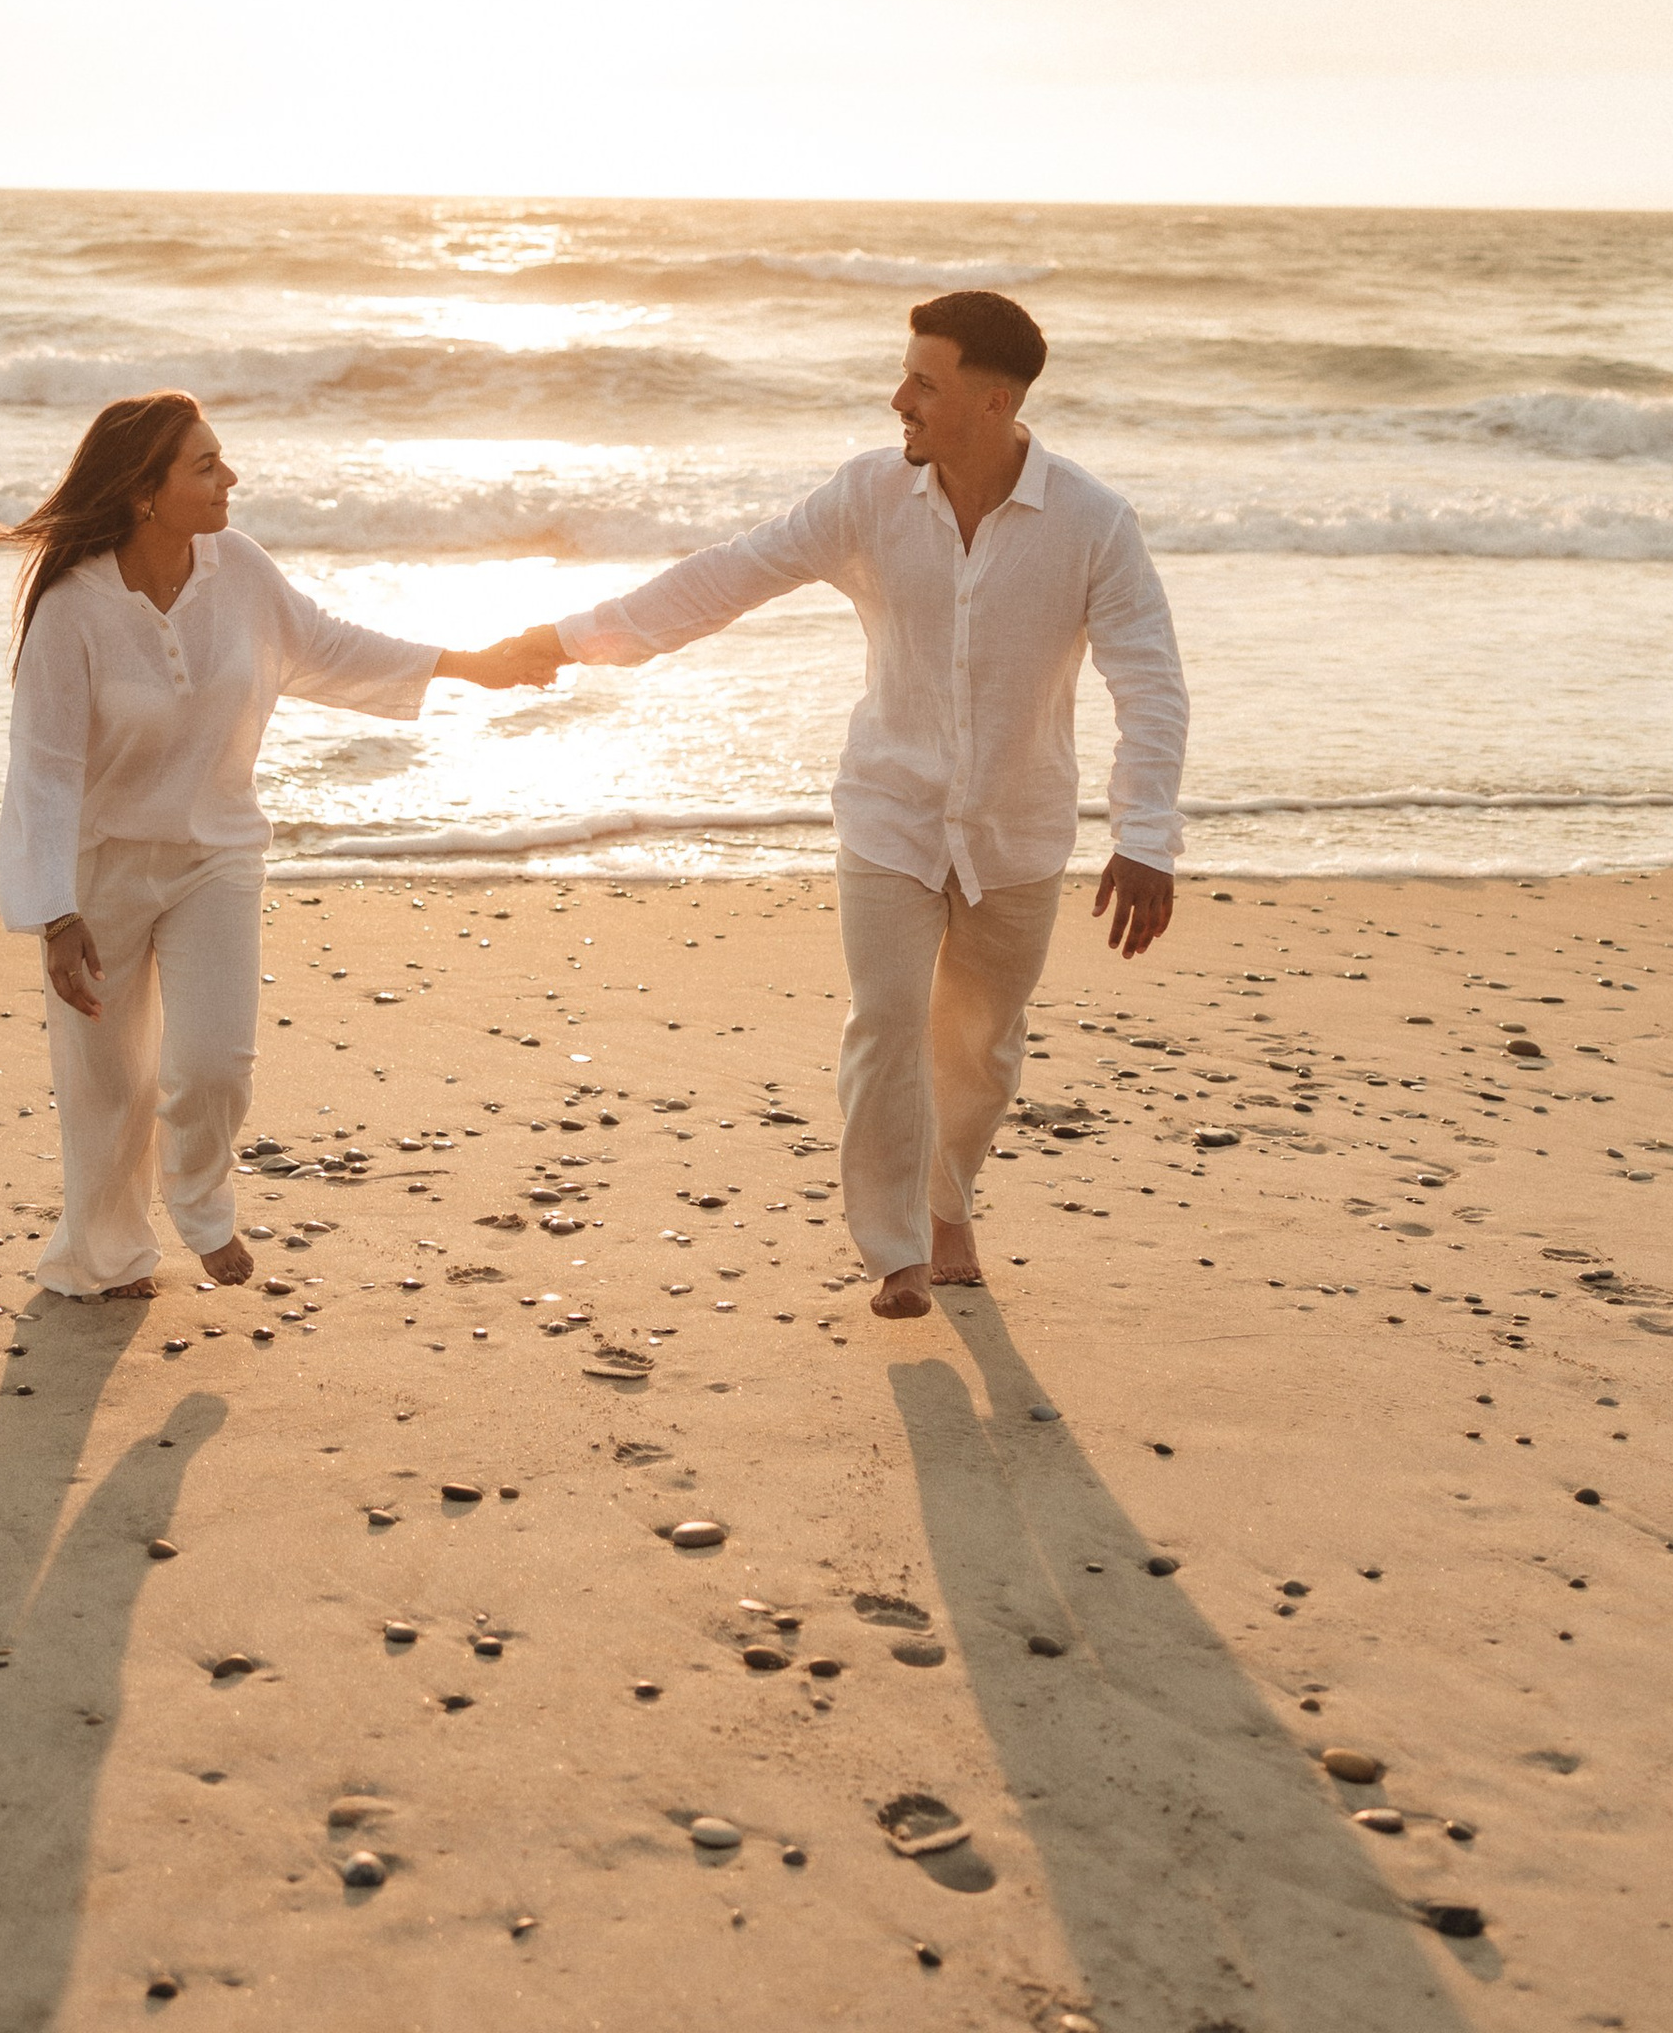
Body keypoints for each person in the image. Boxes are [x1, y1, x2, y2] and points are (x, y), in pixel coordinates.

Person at [496, 290, 1186, 1321]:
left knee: (982, 1048)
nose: (899, 398)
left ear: (995, 402)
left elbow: (1150, 683)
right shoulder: (867, 497)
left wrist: (1146, 837)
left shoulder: (1093, 524)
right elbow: (727, 577)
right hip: (888, 814)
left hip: (1018, 828)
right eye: (905, 375)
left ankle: (947, 1202)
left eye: (925, 382)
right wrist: (565, 640)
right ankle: (897, 1250)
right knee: (888, 1022)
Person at [0, 391, 554, 1300]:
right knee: (106, 1089)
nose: (229, 477)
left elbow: (323, 643)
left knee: (214, 1064)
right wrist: (54, 915)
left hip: (218, 855)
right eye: (204, 466)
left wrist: (465, 663)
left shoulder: (237, 568)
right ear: (144, 492)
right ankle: (104, 1258)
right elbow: (42, 771)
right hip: (99, 869)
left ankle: (201, 1207)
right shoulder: (72, 612)